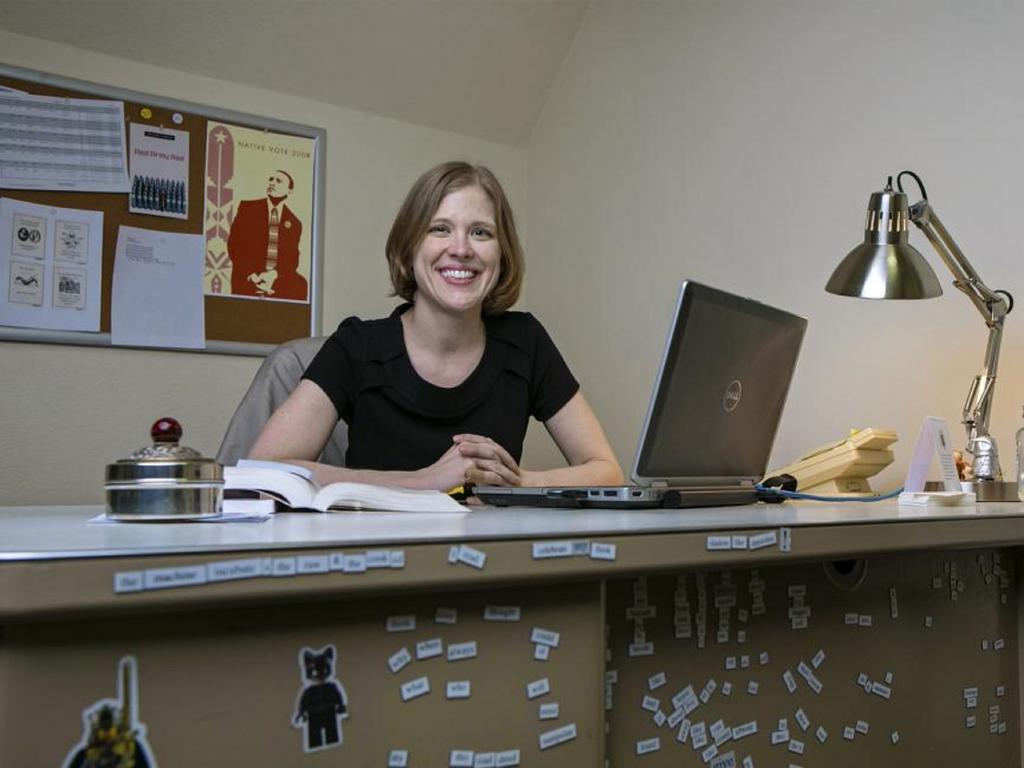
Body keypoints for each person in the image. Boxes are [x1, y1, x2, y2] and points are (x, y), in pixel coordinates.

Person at [249, 161, 623, 491]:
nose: (461, 248)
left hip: (487, 563)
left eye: (481, 232)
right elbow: (264, 472)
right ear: (408, 250)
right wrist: (423, 482)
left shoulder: (525, 341)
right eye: (440, 229)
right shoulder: (357, 346)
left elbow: (607, 471)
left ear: (502, 254)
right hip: (379, 562)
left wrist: (521, 482)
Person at [228, 169, 308, 300]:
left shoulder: (295, 222)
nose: (273, 183)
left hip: (275, 278)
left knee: (300, 284)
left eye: (278, 181)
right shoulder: (248, 208)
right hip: (248, 275)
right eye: (271, 179)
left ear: (289, 191)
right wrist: (252, 275)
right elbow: (234, 245)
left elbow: (292, 258)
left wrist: (273, 275)